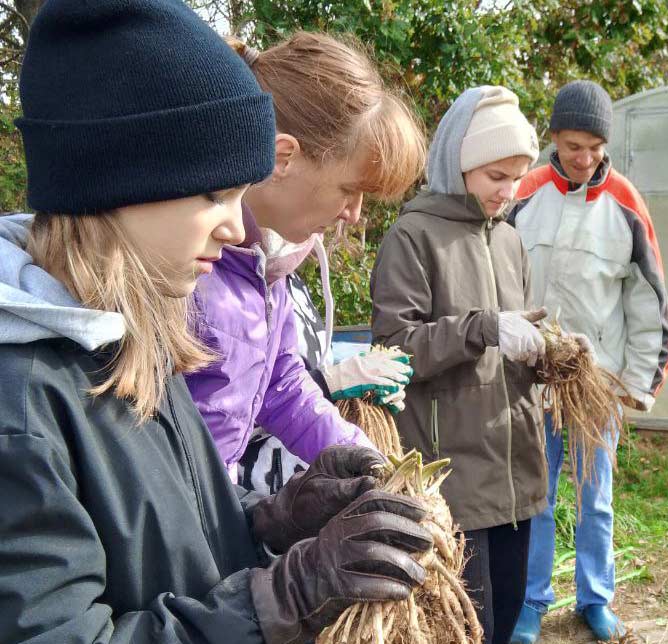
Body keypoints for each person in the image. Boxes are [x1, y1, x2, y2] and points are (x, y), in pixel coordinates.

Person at [0, 2, 431, 642]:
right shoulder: (24, 408)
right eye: (214, 194)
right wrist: (279, 601)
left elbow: (171, 535)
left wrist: (273, 521)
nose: (234, 228)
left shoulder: (135, 338)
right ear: (122, 180)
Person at [184, 32, 426, 483]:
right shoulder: (184, 268)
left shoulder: (269, 272)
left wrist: (372, 467)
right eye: (349, 189)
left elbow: (283, 388)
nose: (354, 215)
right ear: (283, 158)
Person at [371, 86, 560, 644]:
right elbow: (396, 348)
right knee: (463, 630)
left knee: (504, 621)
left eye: (517, 176)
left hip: (517, 474)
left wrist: (548, 353)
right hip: (453, 480)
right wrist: (482, 327)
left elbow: (511, 345)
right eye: (496, 176)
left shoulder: (510, 242)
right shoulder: (413, 236)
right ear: (459, 165)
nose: (509, 190)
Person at [507, 80, 668, 642]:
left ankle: (595, 599)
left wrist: (639, 383)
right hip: (533, 379)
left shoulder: (625, 203)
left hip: (598, 382)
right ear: (554, 137)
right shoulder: (523, 194)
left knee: (594, 499)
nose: (584, 158)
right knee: (537, 496)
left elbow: (649, 300)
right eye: (574, 145)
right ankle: (531, 601)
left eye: (595, 146)